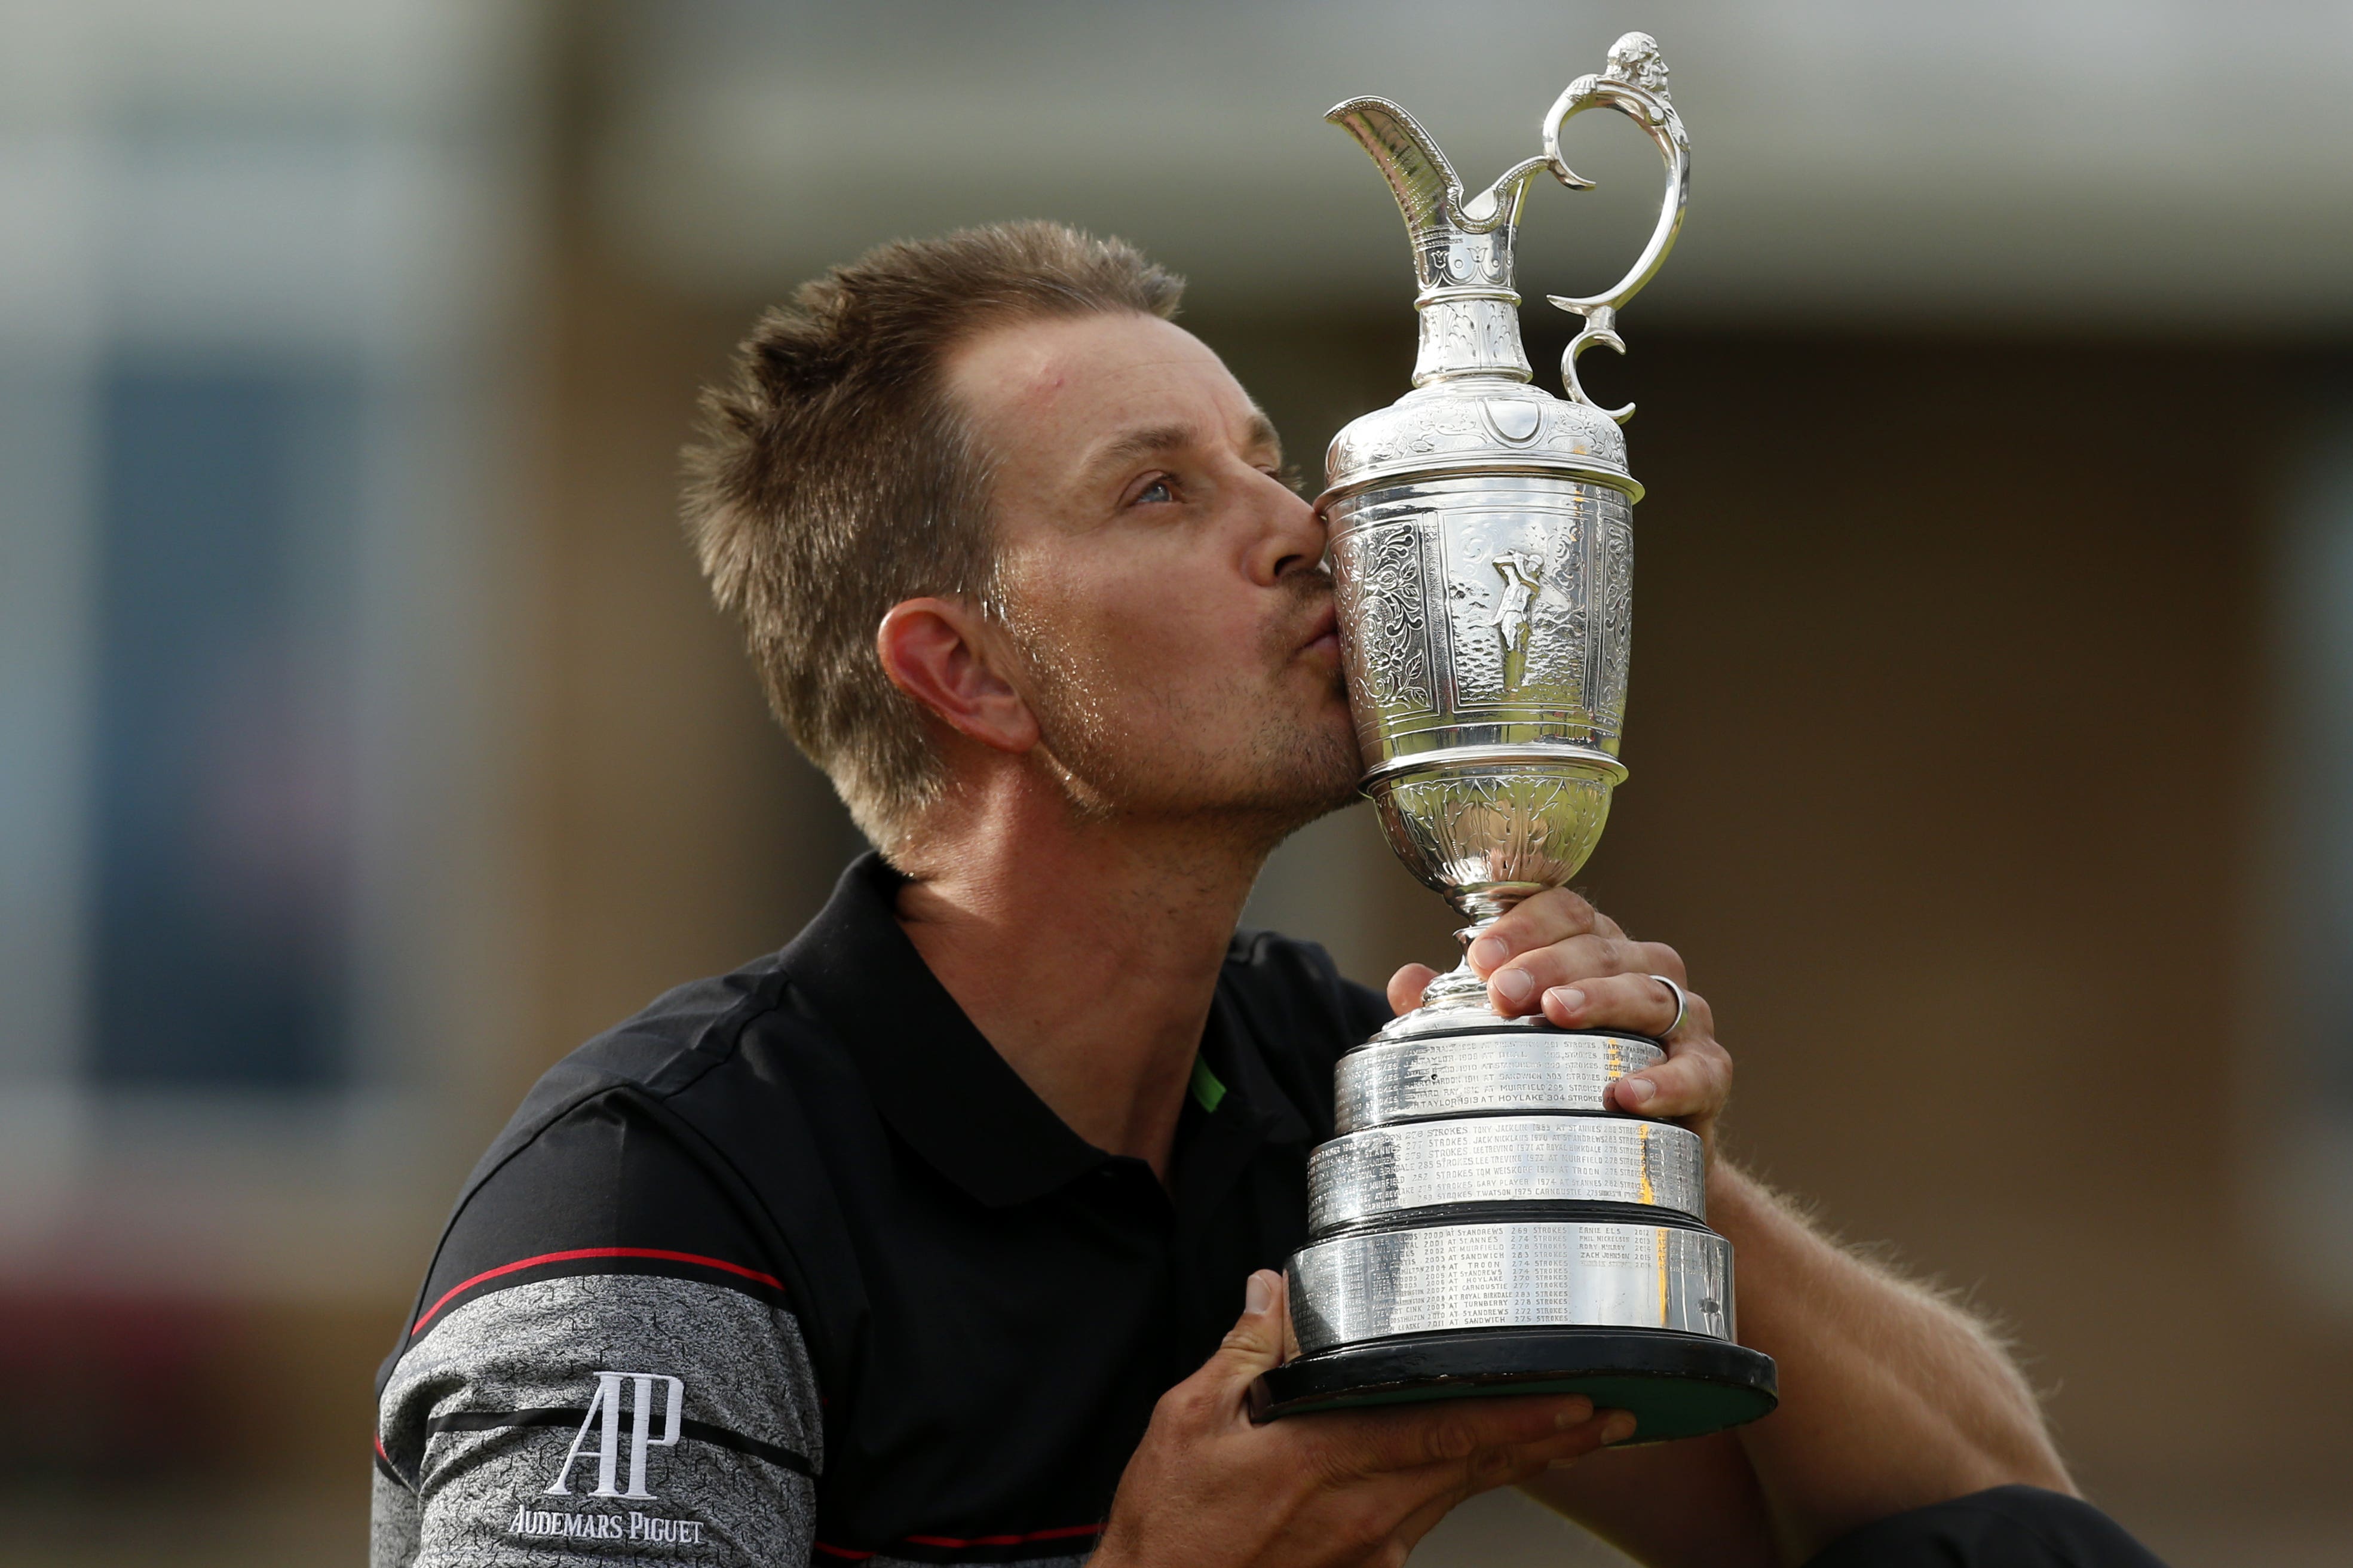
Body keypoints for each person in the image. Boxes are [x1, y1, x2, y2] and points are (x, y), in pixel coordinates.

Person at [370, 223, 2164, 1568]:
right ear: (967, 672)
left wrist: (1628, 1155)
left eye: (1260, 453)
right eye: (1159, 490)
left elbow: (1993, 1508)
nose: (1304, 524)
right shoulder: (655, 1198)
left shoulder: (1325, 1076)